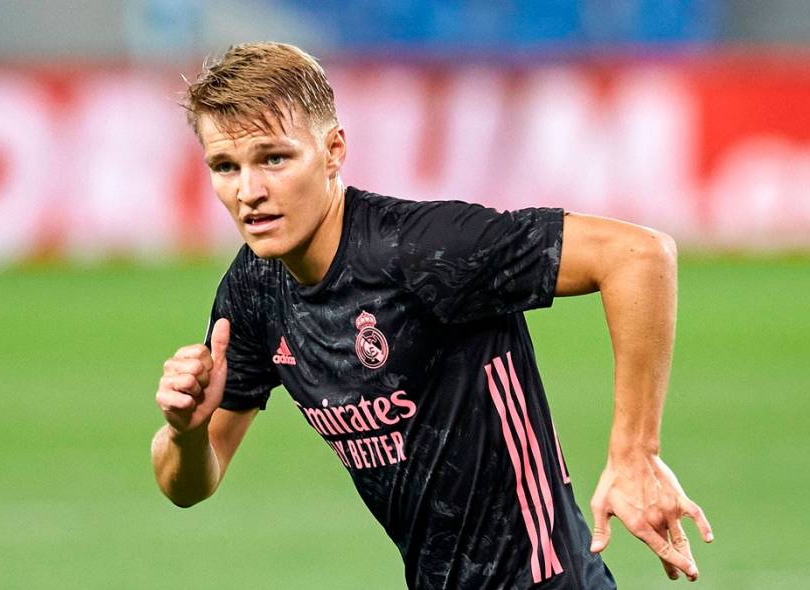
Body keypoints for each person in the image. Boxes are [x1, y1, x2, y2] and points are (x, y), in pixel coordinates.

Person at [150, 42, 713, 589]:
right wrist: (187, 434)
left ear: (333, 150)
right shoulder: (255, 289)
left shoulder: (423, 250)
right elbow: (187, 485)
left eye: (274, 158)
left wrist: (635, 454)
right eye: (225, 166)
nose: (249, 191)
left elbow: (638, 255)